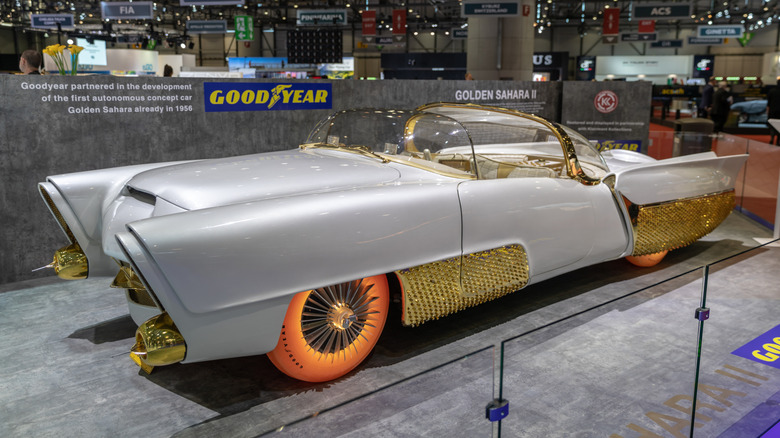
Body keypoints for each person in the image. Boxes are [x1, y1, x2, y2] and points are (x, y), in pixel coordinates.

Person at [766, 80, 780, 144]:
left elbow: (768, 104)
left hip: (772, 111)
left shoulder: (772, 91)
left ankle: (772, 139)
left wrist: (767, 112)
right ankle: (778, 140)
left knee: (772, 126)